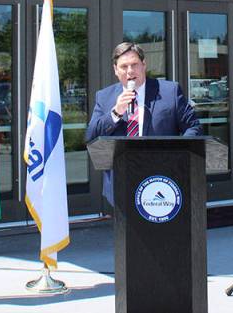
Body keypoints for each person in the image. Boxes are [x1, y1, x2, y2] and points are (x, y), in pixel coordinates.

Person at [85, 42, 202, 203]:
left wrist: (178, 155)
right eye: (124, 66)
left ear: (144, 65)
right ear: (115, 70)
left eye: (135, 65)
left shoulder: (170, 91)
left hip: (163, 180)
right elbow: (91, 136)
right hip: (122, 180)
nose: (130, 71)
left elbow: (193, 126)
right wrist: (116, 112)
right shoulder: (104, 97)